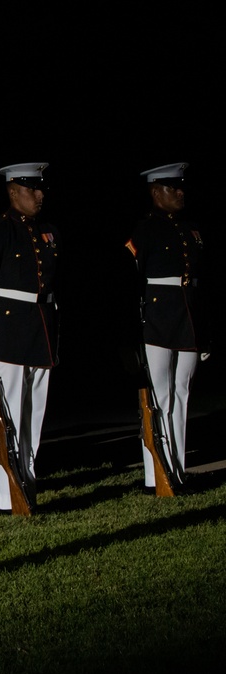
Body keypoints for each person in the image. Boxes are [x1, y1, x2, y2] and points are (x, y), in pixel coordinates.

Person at [0, 163, 60, 514]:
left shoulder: (46, 231)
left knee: (33, 415)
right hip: (9, 332)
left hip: (41, 329)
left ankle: (26, 485)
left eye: (40, 188)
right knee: (7, 415)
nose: (39, 194)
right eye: (32, 188)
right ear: (13, 191)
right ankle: (6, 496)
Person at [124, 163, 211, 491]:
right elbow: (131, 284)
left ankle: (177, 468)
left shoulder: (190, 228)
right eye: (173, 188)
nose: (180, 193)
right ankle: (155, 474)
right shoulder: (144, 230)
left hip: (187, 319)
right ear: (155, 192)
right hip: (157, 321)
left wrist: (205, 332)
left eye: (180, 187)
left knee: (181, 394)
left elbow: (202, 286)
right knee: (158, 398)